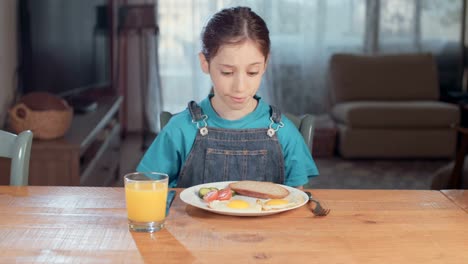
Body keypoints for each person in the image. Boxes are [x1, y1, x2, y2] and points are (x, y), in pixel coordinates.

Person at [137, 6, 318, 188]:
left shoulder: (284, 133)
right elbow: (145, 189)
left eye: (252, 72)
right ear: (205, 63)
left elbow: (296, 200)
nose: (240, 87)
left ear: (265, 65)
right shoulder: (179, 130)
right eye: (227, 72)